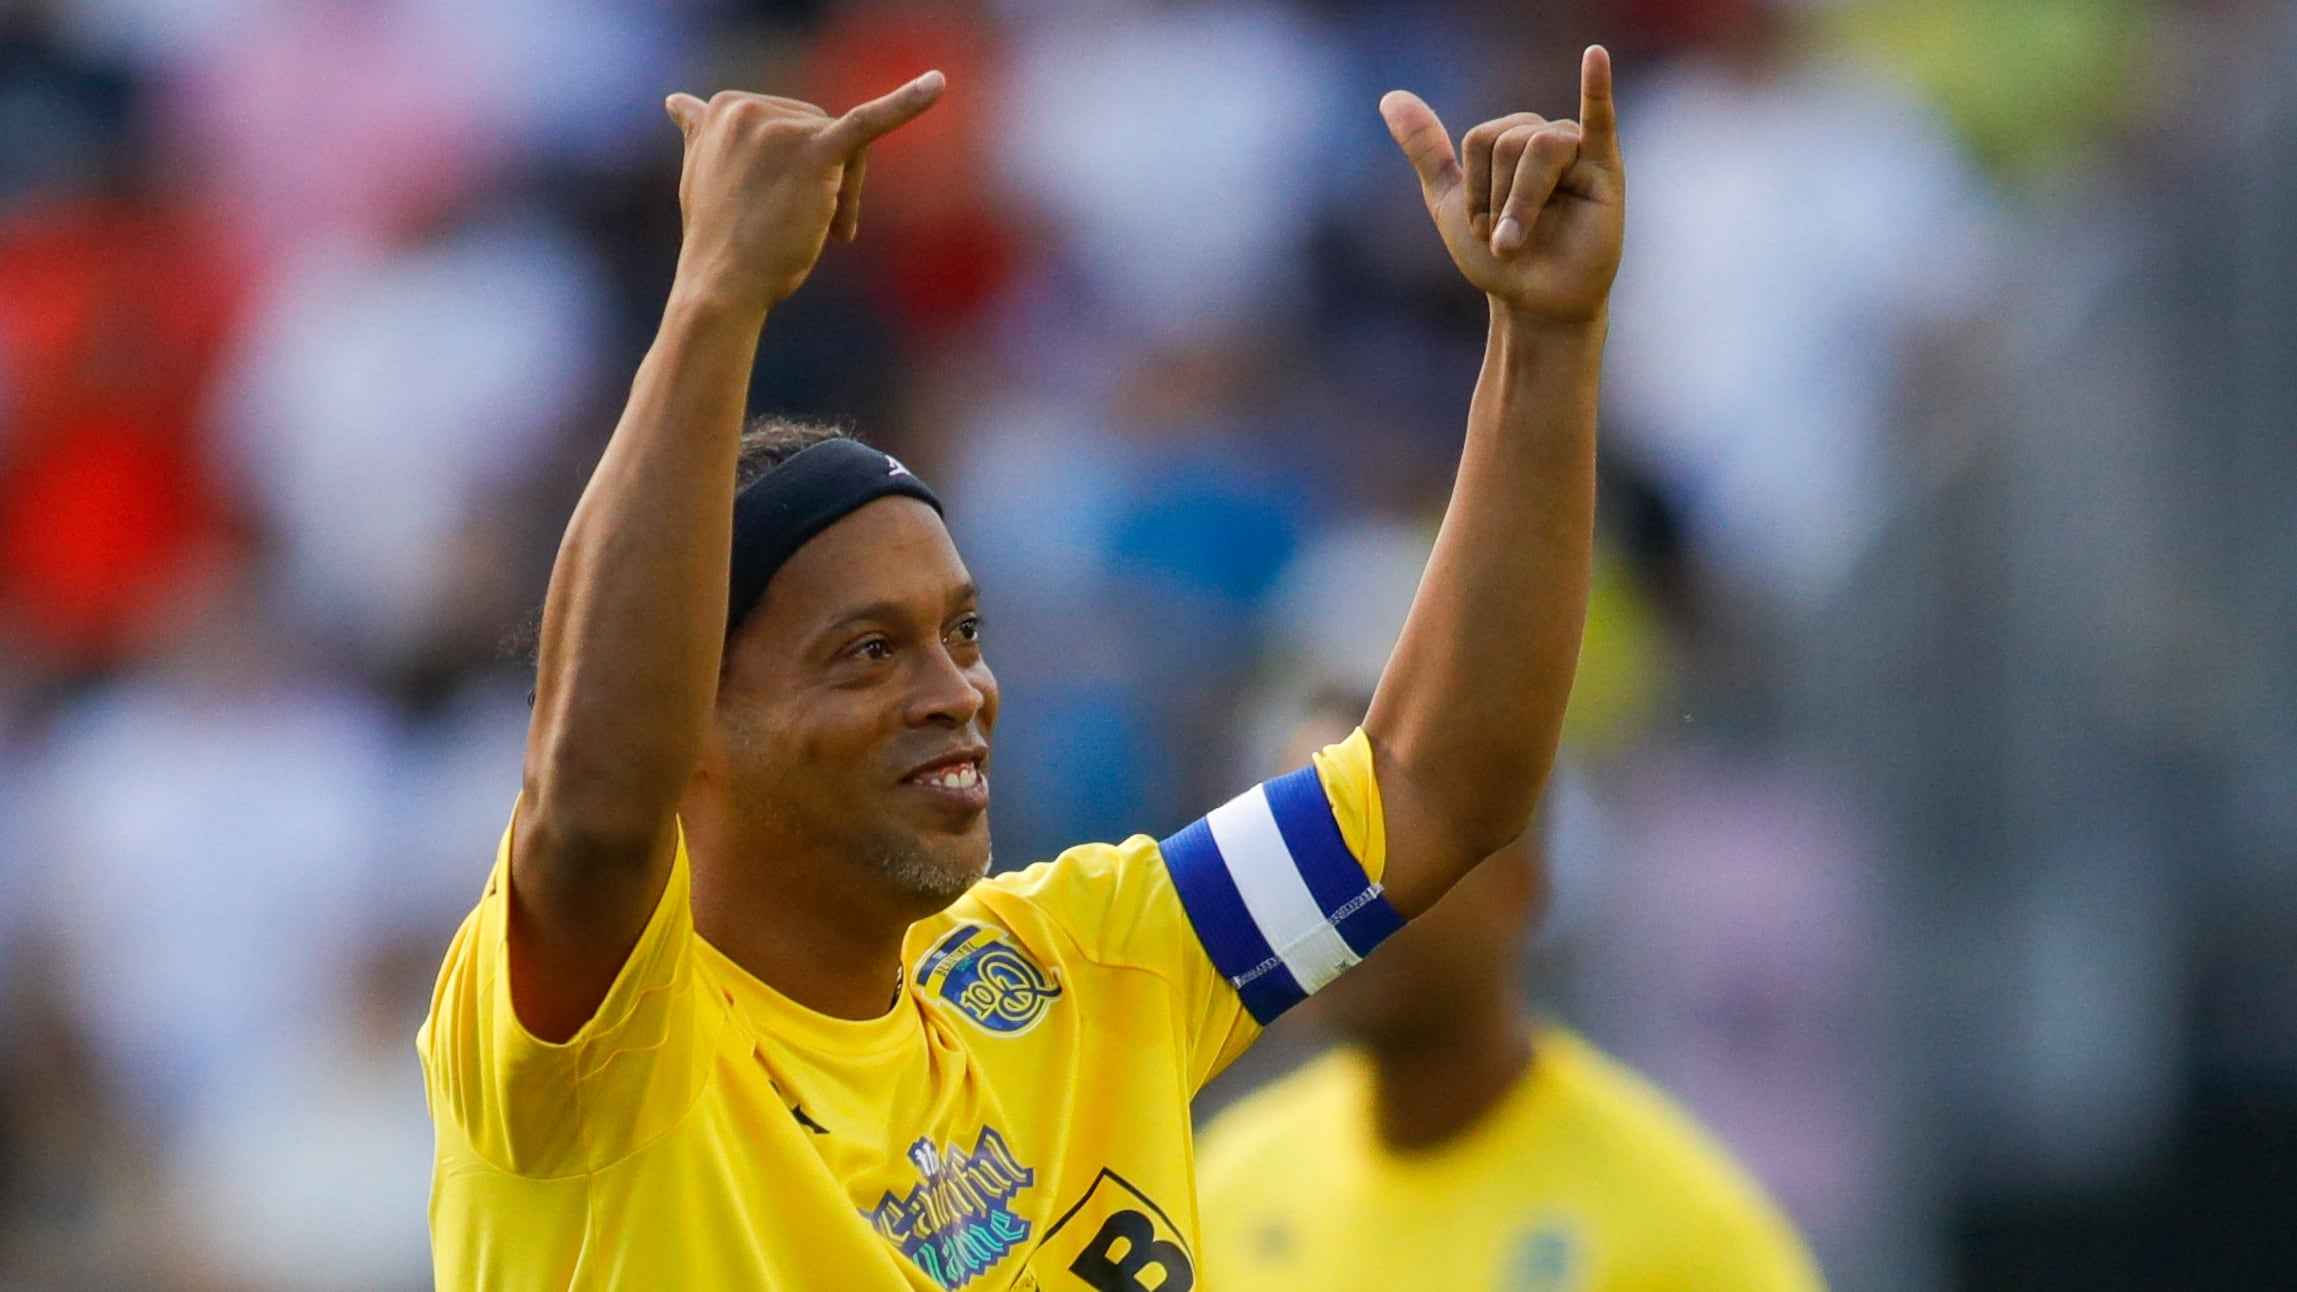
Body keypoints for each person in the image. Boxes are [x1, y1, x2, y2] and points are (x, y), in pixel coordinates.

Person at [419, 46, 1625, 1291]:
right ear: (696, 729)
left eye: (964, 632)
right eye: (868, 652)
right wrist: (715, 295)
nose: (956, 692)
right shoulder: (596, 1050)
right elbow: (595, 803)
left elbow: (1434, 783)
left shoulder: (1078, 968)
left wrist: (1544, 338)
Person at [1198, 699, 1826, 1292]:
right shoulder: (1225, 1186)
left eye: (1377, 853)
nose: (1329, 903)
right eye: (1304, 861)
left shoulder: (1685, 1238)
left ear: (1516, 887)